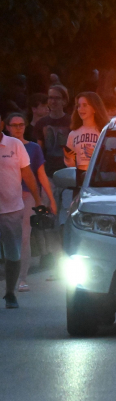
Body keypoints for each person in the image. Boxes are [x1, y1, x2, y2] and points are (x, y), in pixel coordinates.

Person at [4, 113, 57, 292]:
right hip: (7, 197)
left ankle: (22, 278)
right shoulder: (6, 147)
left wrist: (49, 199)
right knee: (10, 238)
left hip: (27, 196)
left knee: (24, 236)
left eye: (21, 125)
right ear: (7, 127)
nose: (18, 128)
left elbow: (40, 174)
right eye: (14, 125)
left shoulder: (33, 148)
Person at [0, 115, 45, 309]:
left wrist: (37, 199)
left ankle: (10, 292)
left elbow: (27, 173)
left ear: (1, 124)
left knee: (13, 253)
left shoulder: (14, 145)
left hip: (12, 208)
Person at [64, 92, 109, 188]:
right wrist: (68, 158)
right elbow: (70, 163)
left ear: (95, 108)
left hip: (98, 176)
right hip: (79, 177)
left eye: (85, 105)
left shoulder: (104, 131)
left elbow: (111, 158)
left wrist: (96, 155)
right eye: (78, 106)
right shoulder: (73, 134)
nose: (81, 109)